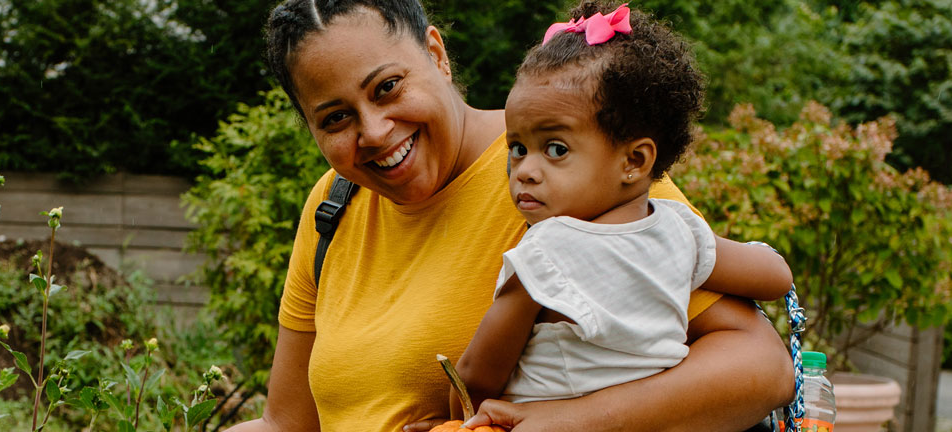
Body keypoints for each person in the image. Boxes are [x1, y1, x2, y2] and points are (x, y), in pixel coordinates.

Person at [225, 1, 795, 431]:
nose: (374, 132)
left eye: (388, 87)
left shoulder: (566, 174)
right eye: (334, 119)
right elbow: (287, 422)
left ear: (436, 54)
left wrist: (569, 420)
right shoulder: (335, 202)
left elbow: (759, 367)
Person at [449, 1, 794, 421]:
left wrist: (450, 419)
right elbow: (776, 278)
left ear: (634, 161)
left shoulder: (545, 251)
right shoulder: (677, 229)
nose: (525, 171)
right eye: (518, 149)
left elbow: (476, 378)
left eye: (555, 149)